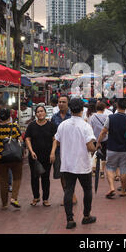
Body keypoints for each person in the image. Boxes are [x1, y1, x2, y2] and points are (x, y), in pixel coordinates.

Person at [51, 98, 97, 229]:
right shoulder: (85, 126)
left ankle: (70, 219)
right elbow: (90, 146)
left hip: (67, 163)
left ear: (70, 109)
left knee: (68, 191)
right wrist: (96, 148)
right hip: (82, 164)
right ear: (82, 110)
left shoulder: (63, 125)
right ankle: (86, 216)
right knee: (87, 189)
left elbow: (57, 141)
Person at [96, 98, 126, 199]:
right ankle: (124, 190)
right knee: (124, 169)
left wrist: (98, 142)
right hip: (125, 148)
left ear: (117, 106)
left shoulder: (110, 117)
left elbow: (103, 131)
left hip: (111, 147)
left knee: (110, 168)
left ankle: (111, 187)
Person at [25, 104, 57, 207]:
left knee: (45, 177)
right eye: (38, 112)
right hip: (34, 157)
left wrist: (52, 153)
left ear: (45, 112)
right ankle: (36, 197)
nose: (40, 113)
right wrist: (31, 151)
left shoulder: (51, 125)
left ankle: (45, 199)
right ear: (35, 114)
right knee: (34, 177)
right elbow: (27, 138)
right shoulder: (31, 125)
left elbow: (55, 140)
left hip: (47, 156)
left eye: (42, 111)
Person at [0, 108, 23, 209]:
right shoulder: (14, 126)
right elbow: (20, 139)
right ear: (9, 116)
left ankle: (4, 203)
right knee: (17, 178)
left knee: (3, 180)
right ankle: (14, 198)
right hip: (14, 156)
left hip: (1, 156)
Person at [50, 95, 77, 205]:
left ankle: (72, 195)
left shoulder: (73, 117)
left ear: (68, 104)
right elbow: (53, 135)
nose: (61, 104)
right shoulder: (54, 117)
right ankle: (67, 195)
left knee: (70, 173)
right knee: (61, 174)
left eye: (63, 102)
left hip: (71, 150)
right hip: (58, 150)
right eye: (59, 102)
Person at [88, 101, 108, 179]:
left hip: (94, 138)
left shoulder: (92, 117)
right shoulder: (106, 117)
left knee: (94, 154)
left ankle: (94, 170)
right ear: (104, 108)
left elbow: (90, 128)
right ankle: (102, 172)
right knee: (104, 156)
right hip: (105, 138)